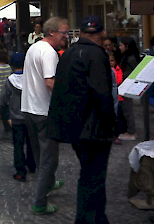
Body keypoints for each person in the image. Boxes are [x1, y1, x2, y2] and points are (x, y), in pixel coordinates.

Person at [47, 16, 115, 224]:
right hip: (93, 129)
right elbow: (102, 93)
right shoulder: (97, 54)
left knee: (89, 174)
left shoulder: (69, 53)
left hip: (75, 127)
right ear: (102, 34)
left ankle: (96, 218)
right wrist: (111, 124)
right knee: (93, 178)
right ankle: (88, 219)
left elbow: (61, 89)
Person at [22, 16, 69, 215]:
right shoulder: (50, 53)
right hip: (43, 111)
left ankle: (49, 182)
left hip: (29, 109)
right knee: (49, 159)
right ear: (52, 32)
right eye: (64, 32)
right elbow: (50, 83)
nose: (66, 37)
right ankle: (40, 201)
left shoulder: (34, 47)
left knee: (40, 154)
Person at [0, 52, 36, 182]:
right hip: (31, 114)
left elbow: (3, 99)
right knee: (31, 142)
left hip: (16, 116)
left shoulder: (10, 81)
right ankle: (32, 165)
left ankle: (20, 170)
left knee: (18, 144)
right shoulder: (31, 78)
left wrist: (4, 113)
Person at [117, 37, 140, 141]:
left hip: (127, 86)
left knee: (128, 110)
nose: (119, 47)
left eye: (121, 45)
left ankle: (132, 132)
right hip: (125, 86)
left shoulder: (130, 59)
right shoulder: (126, 57)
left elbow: (134, 73)